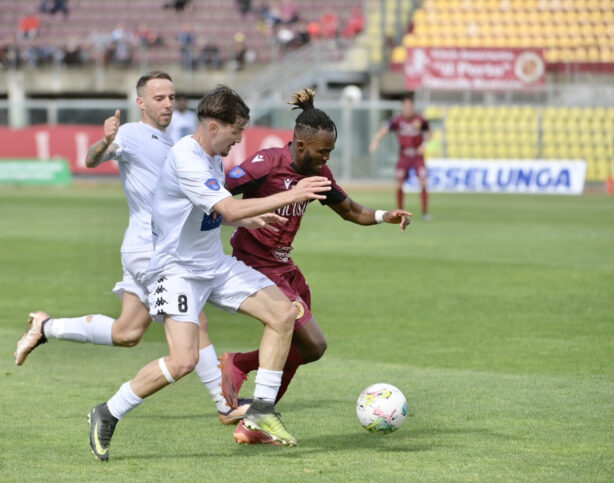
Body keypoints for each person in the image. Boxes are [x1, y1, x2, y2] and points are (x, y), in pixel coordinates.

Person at [87, 85, 333, 460]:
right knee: (182, 361)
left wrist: (248, 221)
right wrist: (292, 194)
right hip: (176, 271)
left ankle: (262, 410)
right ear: (214, 127)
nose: (238, 141)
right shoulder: (187, 157)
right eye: (236, 133)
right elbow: (228, 208)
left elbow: (212, 212)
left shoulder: (212, 155)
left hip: (214, 265)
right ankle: (108, 412)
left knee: (283, 313)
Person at [13, 72, 249, 428]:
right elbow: (93, 159)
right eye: (158, 98)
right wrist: (104, 142)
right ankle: (225, 404)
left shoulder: (177, 142)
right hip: (149, 250)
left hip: (157, 247)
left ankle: (46, 327)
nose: (167, 104)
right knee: (194, 319)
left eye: (171, 97)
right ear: (141, 102)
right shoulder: (131, 135)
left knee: (127, 332)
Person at [217, 88, 412, 444]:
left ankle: (252, 417)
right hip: (255, 266)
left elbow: (350, 210)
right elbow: (219, 192)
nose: (326, 158)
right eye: (323, 151)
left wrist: (385, 215)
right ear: (301, 145)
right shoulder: (267, 163)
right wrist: (241, 218)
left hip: (285, 267)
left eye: (330, 152)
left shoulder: (318, 174)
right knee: (313, 342)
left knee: (307, 349)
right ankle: (243, 377)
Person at [369, 97, 432, 221]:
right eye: (405, 107)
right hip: (404, 156)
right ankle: (400, 212)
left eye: (409, 107)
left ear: (413, 107)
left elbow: (430, 133)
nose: (407, 109)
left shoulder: (420, 120)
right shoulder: (398, 120)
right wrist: (375, 142)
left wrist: (424, 145)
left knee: (423, 182)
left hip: (417, 157)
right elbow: (384, 130)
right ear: (403, 108)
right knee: (399, 184)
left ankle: (425, 212)